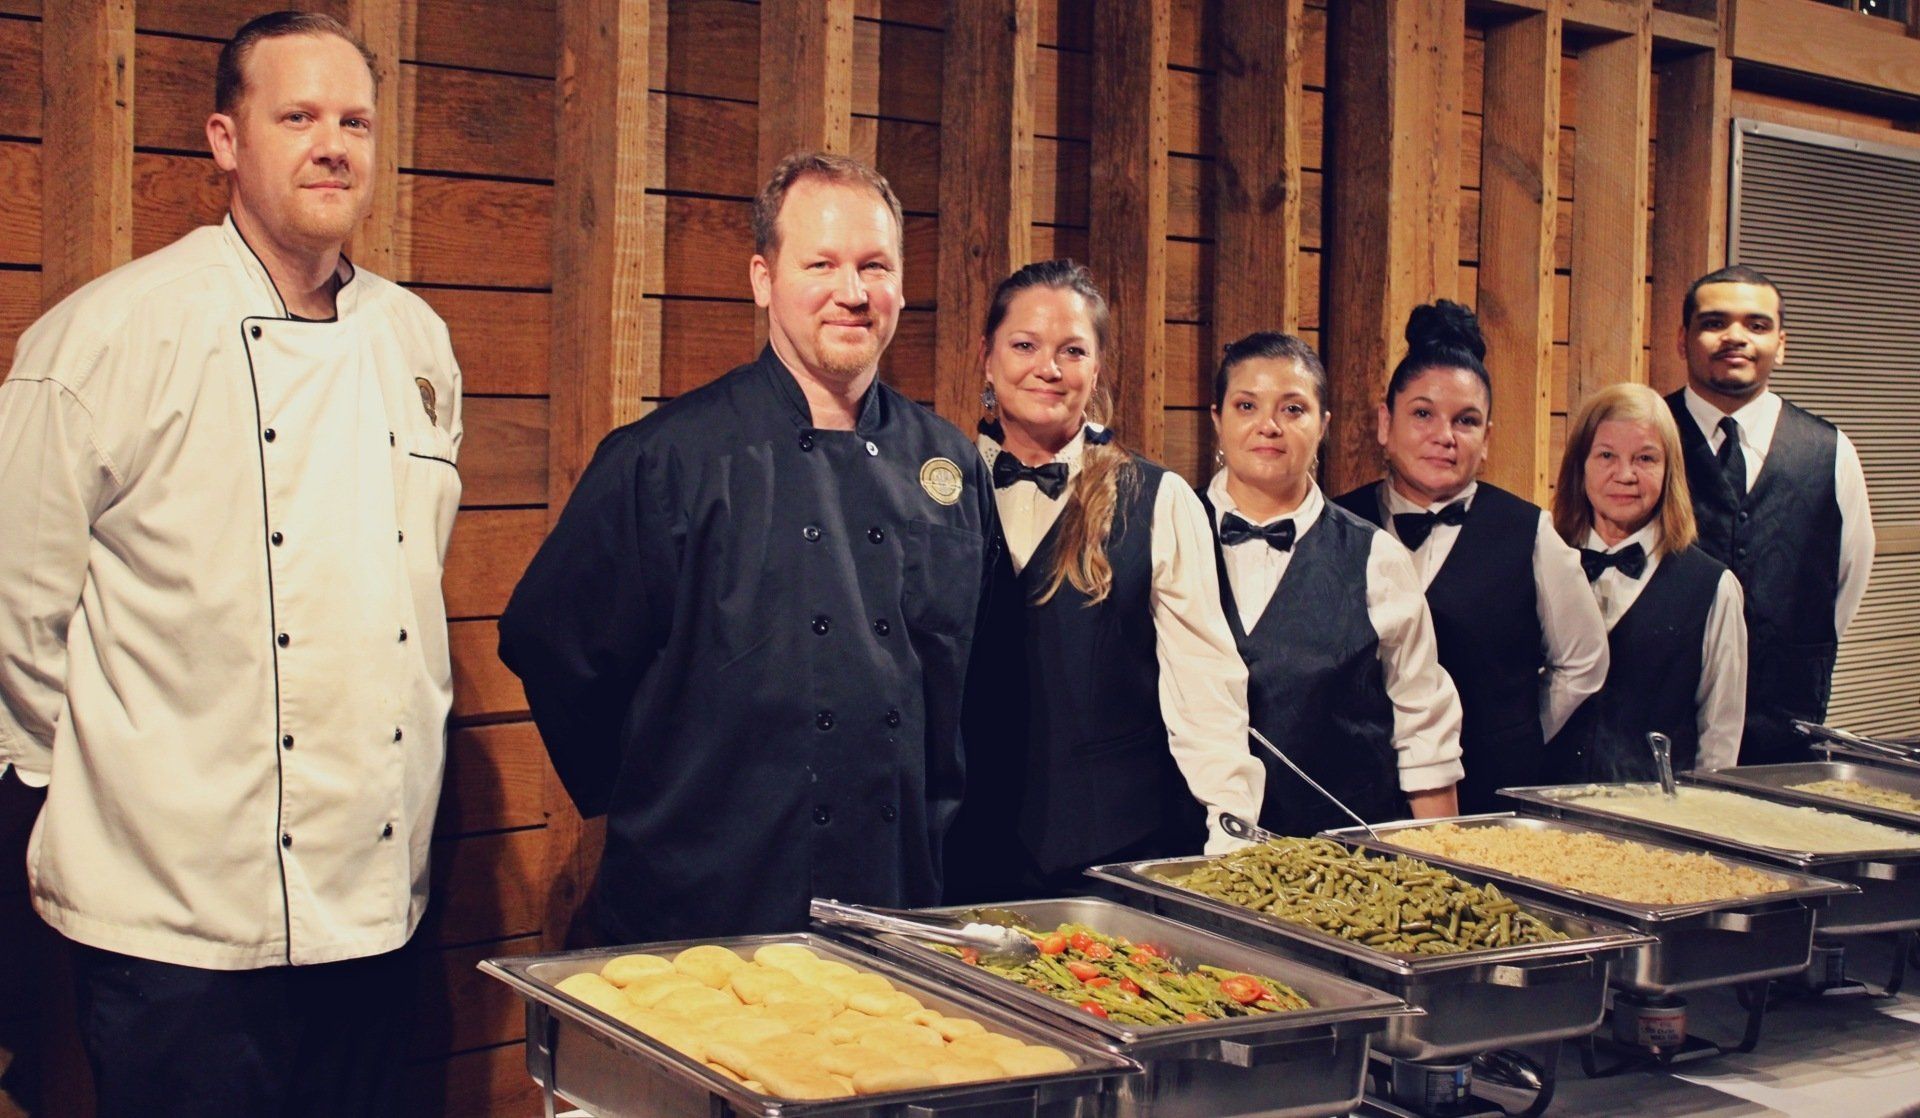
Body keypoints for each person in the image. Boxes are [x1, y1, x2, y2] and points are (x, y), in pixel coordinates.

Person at [0, 13, 462, 1115]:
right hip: (172, 924)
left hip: (372, 905)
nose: (332, 144)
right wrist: (120, 804)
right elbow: (16, 617)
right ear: (225, 138)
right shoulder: (105, 337)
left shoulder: (416, 341)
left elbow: (399, 596)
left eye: (353, 119)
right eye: (296, 115)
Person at [498, 152, 997, 941]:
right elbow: (551, 641)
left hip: (899, 903)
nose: (853, 292)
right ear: (763, 279)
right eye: (821, 264)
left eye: (875, 266)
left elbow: (970, 683)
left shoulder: (948, 463)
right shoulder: (668, 458)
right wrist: (652, 795)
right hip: (707, 900)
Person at [943, 261, 1263, 903]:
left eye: (1072, 351)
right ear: (986, 356)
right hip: (959, 851)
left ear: (1096, 369)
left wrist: (1231, 832)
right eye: (1025, 345)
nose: (1048, 368)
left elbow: (1206, 687)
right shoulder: (932, 491)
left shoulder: (1161, 499)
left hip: (1116, 855)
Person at [1334, 301, 1607, 812]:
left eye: (1466, 421)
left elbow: (1584, 663)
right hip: (1360, 794)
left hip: (1490, 795)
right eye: (1422, 414)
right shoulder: (1335, 524)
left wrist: (1514, 736)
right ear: (1384, 423)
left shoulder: (1530, 532)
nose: (1444, 436)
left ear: (1486, 441)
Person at [1204, 333, 1464, 834]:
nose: (1269, 426)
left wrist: (1446, 869)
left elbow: (1423, 726)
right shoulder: (1167, 534)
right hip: (1187, 849)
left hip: (1341, 860)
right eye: (1246, 405)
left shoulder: (1376, 557)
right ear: (1217, 420)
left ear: (1323, 425)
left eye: (1293, 409)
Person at [1665, 265, 1874, 765]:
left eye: (1756, 326)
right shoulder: (1642, 435)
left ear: (1780, 345)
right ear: (1682, 339)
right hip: (1661, 717)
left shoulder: (1829, 449)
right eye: (1714, 322)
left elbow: (1846, 582)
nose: (1735, 337)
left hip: (1784, 724)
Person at [1550, 384, 1747, 780]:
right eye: (1606, 456)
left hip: (1650, 821)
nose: (1625, 475)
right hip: (1540, 809)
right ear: (1580, 465)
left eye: (1645, 458)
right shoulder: (1542, 562)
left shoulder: (1713, 587)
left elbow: (1720, 738)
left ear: (1669, 471)